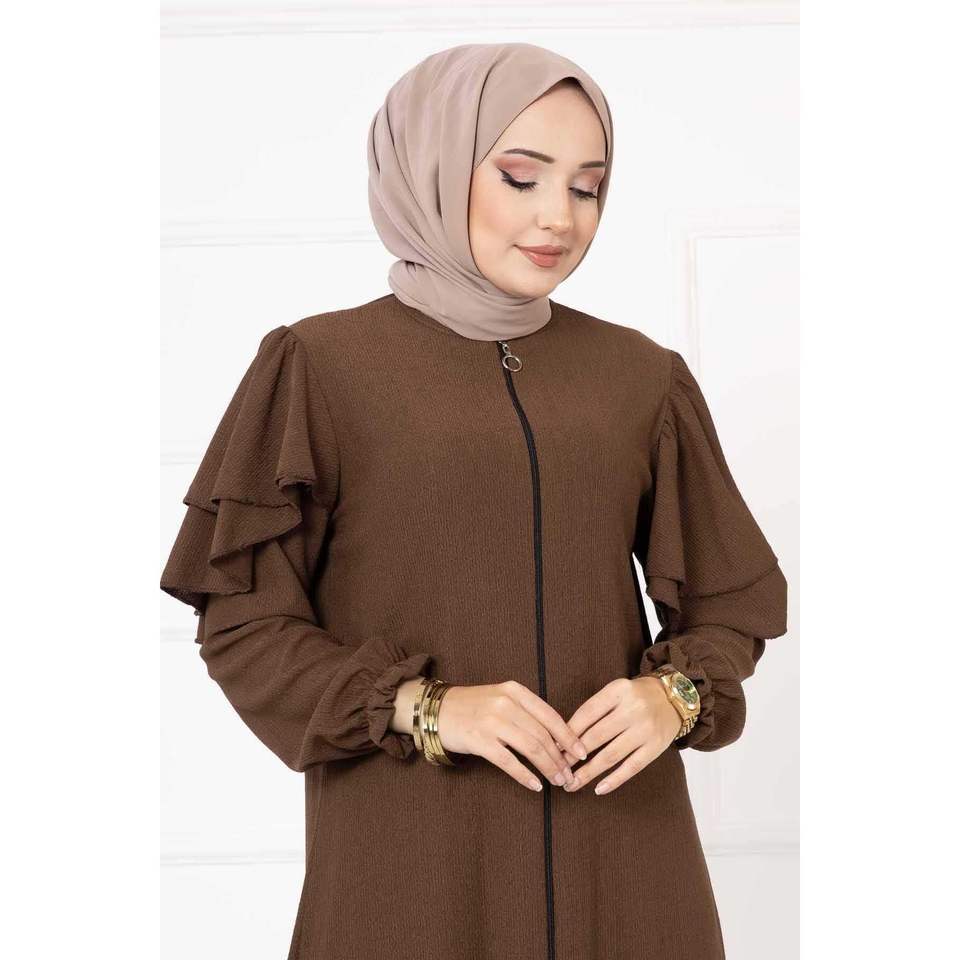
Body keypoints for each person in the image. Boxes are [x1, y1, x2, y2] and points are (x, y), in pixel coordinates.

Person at [160, 41, 788, 960]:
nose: (559, 216)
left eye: (587, 187)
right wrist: (423, 706)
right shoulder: (321, 368)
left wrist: (676, 695)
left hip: (629, 870)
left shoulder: (640, 377)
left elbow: (732, 600)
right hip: (413, 876)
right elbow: (245, 625)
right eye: (521, 177)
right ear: (434, 166)